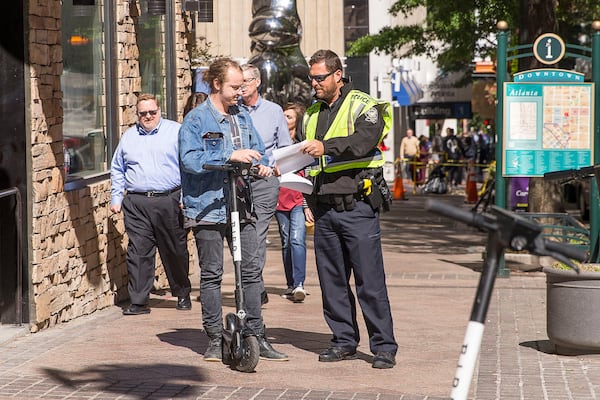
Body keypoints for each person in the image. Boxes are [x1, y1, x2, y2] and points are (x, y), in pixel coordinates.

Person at [178, 58, 288, 362]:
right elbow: (190, 160)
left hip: (243, 204)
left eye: (242, 86)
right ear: (217, 84)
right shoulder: (197, 119)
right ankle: (214, 337)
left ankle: (256, 334)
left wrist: (262, 166)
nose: (240, 92)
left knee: (251, 271)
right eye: (234, 87)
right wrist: (232, 154)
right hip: (209, 207)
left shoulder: (242, 116)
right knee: (212, 274)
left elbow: (259, 151)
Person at [300, 49, 398, 369]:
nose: (313, 82)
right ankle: (343, 341)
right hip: (325, 210)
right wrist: (307, 201)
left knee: (370, 281)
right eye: (311, 77)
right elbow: (309, 166)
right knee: (332, 282)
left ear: (337, 75)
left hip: (357, 207)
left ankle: (383, 347)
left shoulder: (363, 104)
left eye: (319, 77)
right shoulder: (311, 113)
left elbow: (364, 141)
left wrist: (326, 146)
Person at [110, 93, 192, 316]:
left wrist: (186, 197)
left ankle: (182, 292)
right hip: (136, 202)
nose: (148, 116)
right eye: (143, 113)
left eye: (152, 112)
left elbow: (187, 167)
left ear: (159, 111)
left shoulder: (175, 131)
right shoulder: (129, 136)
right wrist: (116, 198)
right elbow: (118, 168)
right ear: (137, 114)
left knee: (174, 248)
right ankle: (139, 300)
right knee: (138, 251)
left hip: (169, 200)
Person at [239, 63, 292, 305]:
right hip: (237, 181)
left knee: (257, 233)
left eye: (246, 82)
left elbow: (284, 148)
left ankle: (252, 286)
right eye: (238, 83)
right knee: (239, 234)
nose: (241, 87)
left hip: (264, 181)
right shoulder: (231, 111)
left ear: (257, 82)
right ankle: (253, 285)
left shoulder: (273, 111)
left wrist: (275, 167)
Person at [276, 102, 313, 303]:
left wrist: (308, 205)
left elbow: (308, 175)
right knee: (285, 241)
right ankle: (291, 284)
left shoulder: (302, 145)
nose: (284, 119)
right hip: (279, 200)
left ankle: (299, 284)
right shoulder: (275, 143)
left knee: (297, 239)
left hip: (298, 200)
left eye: (288, 116)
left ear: (297, 121)